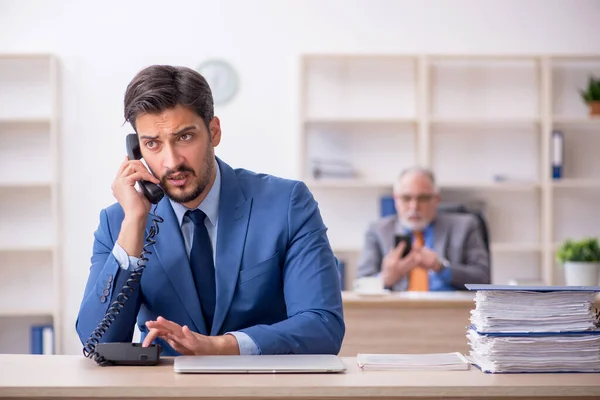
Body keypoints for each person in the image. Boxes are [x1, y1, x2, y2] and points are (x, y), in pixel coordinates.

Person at [75, 65, 345, 356]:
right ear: (136, 151)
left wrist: (221, 346)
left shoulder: (287, 204)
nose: (171, 161)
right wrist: (135, 223)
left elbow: (323, 327)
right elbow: (97, 343)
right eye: (152, 144)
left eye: (185, 137)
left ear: (214, 132)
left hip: (263, 390)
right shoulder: (120, 221)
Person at [355, 167, 490, 291]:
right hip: (396, 313)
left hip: (449, 312)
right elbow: (360, 285)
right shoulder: (378, 231)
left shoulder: (465, 226)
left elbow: (483, 278)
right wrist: (386, 278)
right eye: (406, 198)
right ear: (396, 200)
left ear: (436, 199)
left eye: (423, 198)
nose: (414, 206)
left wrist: (441, 267)